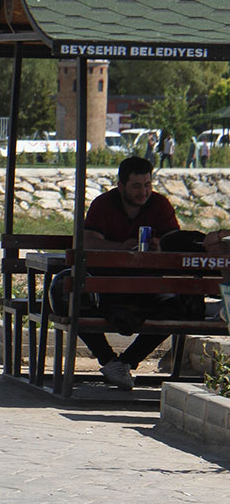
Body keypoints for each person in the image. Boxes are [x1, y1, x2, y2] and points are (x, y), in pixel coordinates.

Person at [78, 156, 181, 389]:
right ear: (121, 185)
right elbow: (88, 240)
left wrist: (160, 247)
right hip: (106, 285)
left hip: (147, 286)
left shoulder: (160, 204)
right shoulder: (104, 204)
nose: (143, 192)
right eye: (136, 186)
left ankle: (125, 362)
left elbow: (176, 242)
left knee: (185, 305)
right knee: (70, 295)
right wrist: (120, 248)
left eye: (147, 185)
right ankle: (107, 358)